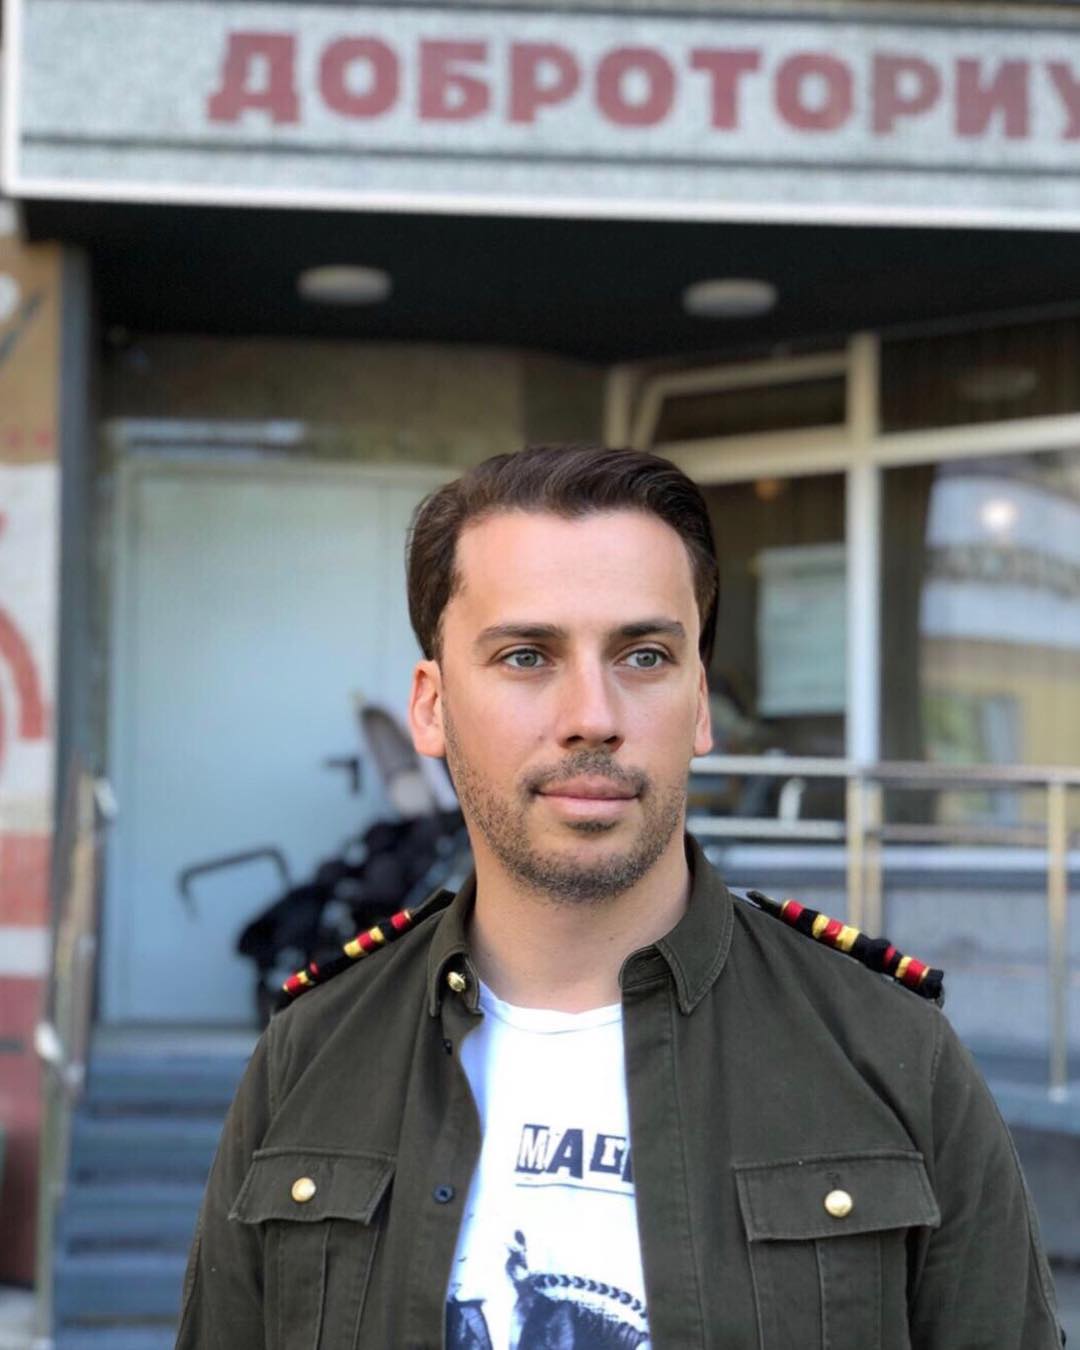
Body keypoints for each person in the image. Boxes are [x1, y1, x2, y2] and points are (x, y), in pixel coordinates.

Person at [176, 443, 1063, 1350]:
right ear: (432, 707)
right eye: (527, 655)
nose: (593, 717)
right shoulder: (313, 1052)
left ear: (700, 704)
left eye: (643, 655)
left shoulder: (890, 1052)